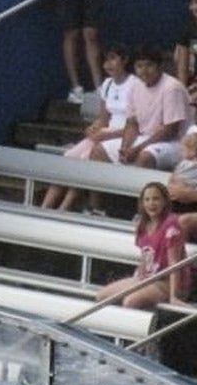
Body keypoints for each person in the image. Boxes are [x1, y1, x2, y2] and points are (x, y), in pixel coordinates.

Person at [41, 43, 139, 210]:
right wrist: (94, 127)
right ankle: (44, 208)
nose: (108, 64)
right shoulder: (107, 84)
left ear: (125, 60)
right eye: (105, 60)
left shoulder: (135, 85)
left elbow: (136, 125)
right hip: (103, 134)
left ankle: (63, 209)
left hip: (124, 137)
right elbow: (103, 118)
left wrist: (108, 135)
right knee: (68, 158)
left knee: (84, 160)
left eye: (113, 59)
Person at [89, 44, 194, 170]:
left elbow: (169, 131)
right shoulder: (136, 86)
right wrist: (125, 148)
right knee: (98, 151)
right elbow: (132, 123)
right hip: (146, 139)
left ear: (160, 66)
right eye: (139, 66)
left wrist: (137, 149)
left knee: (144, 157)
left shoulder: (171, 87)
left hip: (176, 143)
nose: (144, 71)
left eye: (149, 65)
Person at [96, 181, 190, 307]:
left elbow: (174, 263)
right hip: (148, 278)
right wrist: (137, 278)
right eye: (147, 200)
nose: (151, 203)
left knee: (130, 301)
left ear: (164, 202)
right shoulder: (143, 224)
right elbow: (145, 256)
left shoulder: (171, 224)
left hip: (166, 281)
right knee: (102, 296)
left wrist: (174, 296)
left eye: (156, 199)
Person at [173, 0, 197, 103]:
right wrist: (183, 95)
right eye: (196, 2)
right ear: (190, 6)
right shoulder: (187, 33)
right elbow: (182, 70)